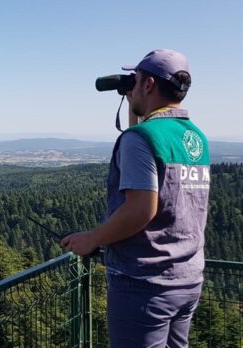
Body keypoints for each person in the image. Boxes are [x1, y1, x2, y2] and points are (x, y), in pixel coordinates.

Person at [60, 49, 210, 348]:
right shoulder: (194, 138)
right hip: (187, 277)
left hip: (144, 283)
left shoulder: (140, 139)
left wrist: (93, 238)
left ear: (150, 84)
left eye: (137, 79)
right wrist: (134, 105)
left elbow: (141, 209)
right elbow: (145, 154)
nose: (133, 84)